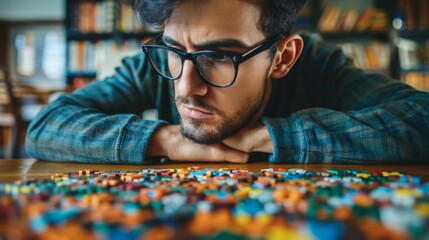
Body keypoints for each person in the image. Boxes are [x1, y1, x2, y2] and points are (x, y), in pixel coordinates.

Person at [26, 0, 429, 164]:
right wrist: (167, 140)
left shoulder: (320, 66)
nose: (185, 88)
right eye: (174, 50)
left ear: (282, 58)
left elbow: (421, 119)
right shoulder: (153, 65)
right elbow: (46, 126)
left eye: (218, 56)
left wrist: (273, 137)